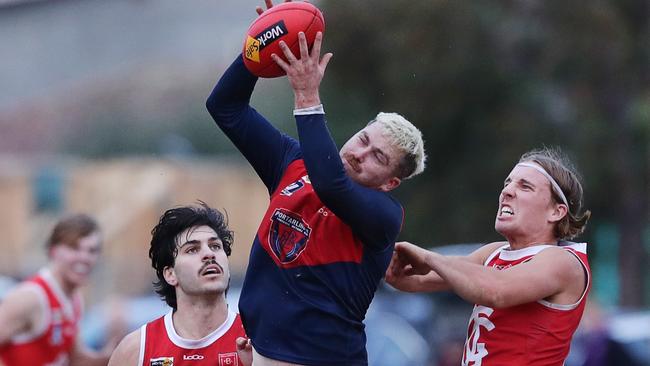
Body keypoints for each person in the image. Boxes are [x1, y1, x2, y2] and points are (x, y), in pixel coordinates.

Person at [206, 1, 426, 364]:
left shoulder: (384, 216)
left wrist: (307, 96)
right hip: (260, 352)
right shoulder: (292, 163)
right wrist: (260, 48)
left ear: (390, 183)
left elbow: (331, 185)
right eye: (363, 139)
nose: (360, 152)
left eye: (379, 157)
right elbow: (225, 106)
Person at [386, 147, 592, 366]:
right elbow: (412, 280)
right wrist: (381, 257)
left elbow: (495, 290)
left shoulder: (564, 261)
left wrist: (428, 258)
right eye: (508, 183)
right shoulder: (494, 252)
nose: (507, 191)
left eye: (525, 186)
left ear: (556, 212)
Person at [108, 202, 251, 366]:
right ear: (170, 274)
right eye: (192, 249)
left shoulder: (259, 342)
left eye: (215, 246)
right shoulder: (135, 350)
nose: (209, 254)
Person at [0, 213, 113, 366]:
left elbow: (76, 359)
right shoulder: (30, 298)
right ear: (53, 251)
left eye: (92, 251)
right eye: (74, 248)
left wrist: (116, 354)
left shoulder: (75, 299)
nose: (84, 257)